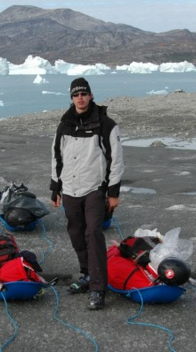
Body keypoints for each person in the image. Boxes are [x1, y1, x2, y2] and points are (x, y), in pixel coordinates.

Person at [50, 77, 124, 310]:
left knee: (93, 232)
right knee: (76, 232)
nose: (80, 98)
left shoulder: (105, 124)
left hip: (94, 188)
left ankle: (97, 288)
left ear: (91, 95)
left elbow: (116, 160)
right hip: (70, 188)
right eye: (76, 94)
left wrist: (113, 192)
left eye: (84, 93)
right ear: (71, 98)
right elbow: (56, 157)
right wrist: (55, 188)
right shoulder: (64, 124)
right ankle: (86, 273)